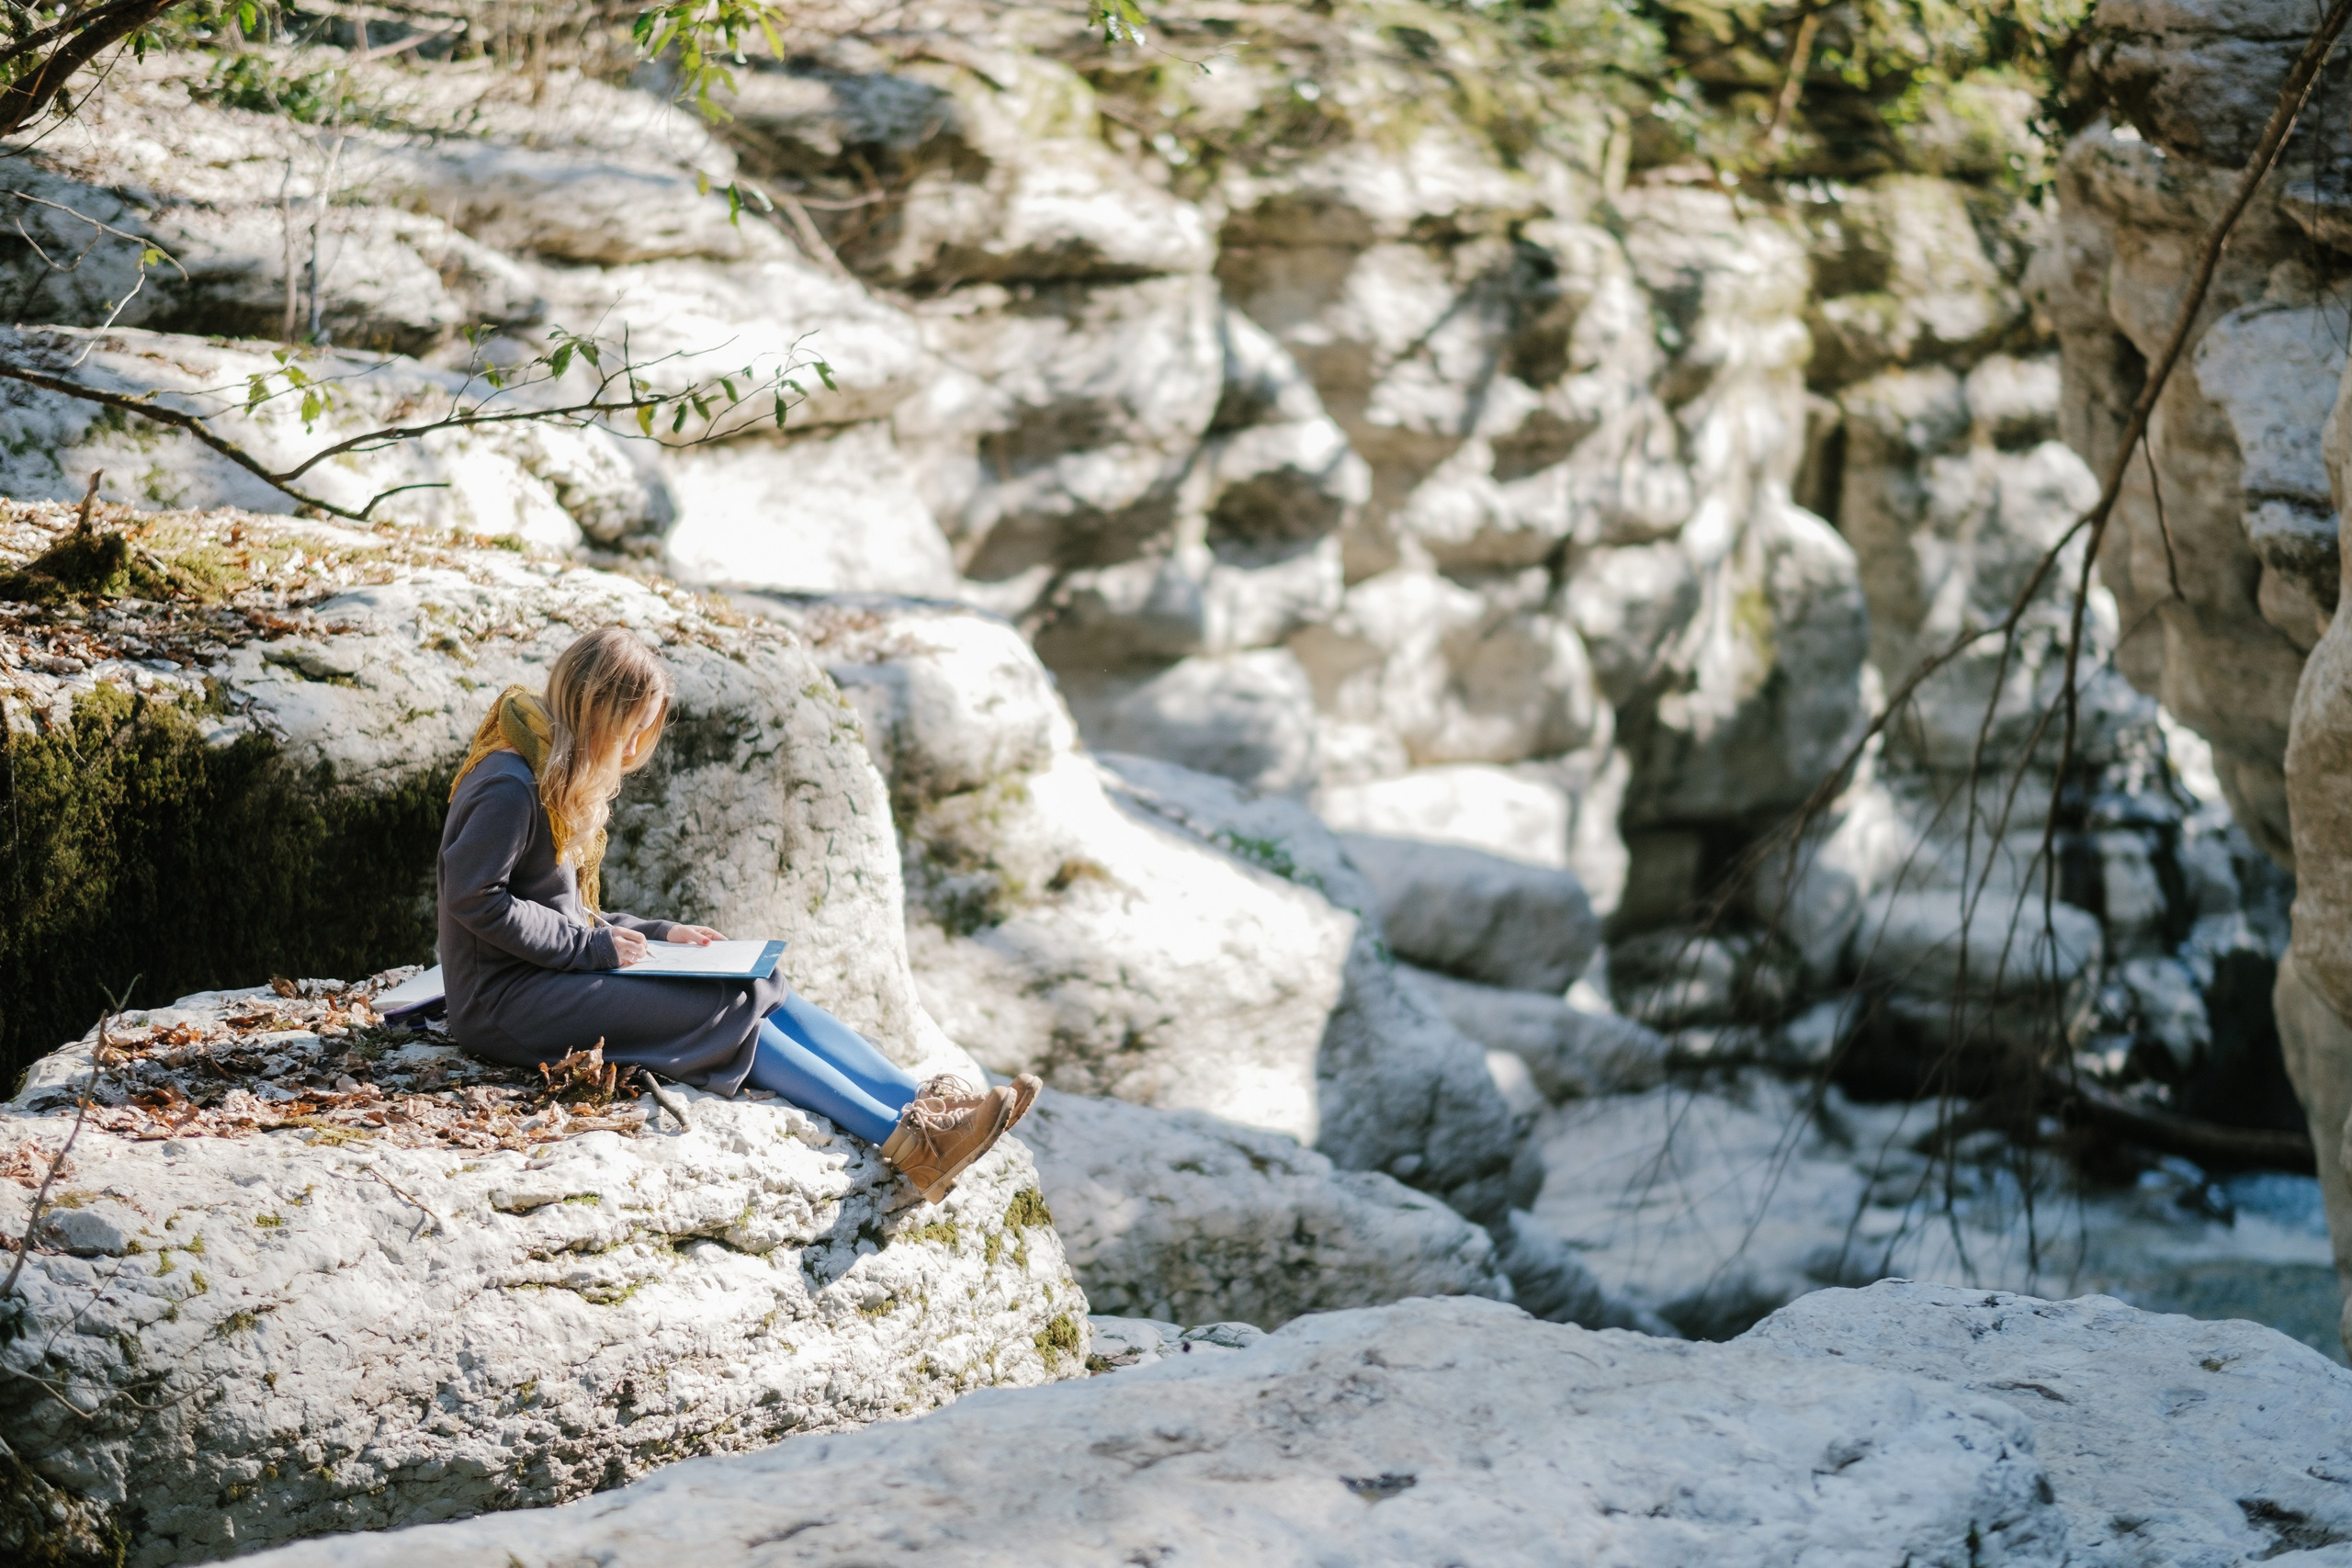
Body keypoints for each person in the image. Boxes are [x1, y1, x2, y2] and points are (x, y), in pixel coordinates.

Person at [435, 626, 1035, 1201]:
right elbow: (477, 900)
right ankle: (909, 1144)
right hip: (502, 1003)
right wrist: (594, 949)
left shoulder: (548, 769)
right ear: (599, 714)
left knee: (756, 977)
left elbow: (563, 909)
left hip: (542, 976)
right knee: (717, 1004)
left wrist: (657, 932)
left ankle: (926, 1104)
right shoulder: (509, 784)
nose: (631, 749)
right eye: (630, 731)